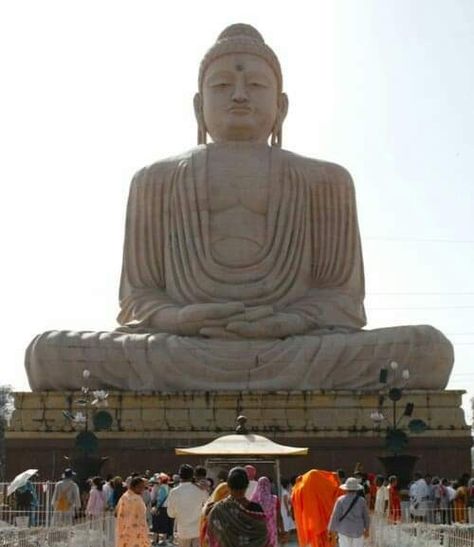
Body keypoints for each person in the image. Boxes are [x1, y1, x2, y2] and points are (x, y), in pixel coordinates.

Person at [26, 24, 454, 393]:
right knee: (47, 353)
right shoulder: (154, 180)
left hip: (294, 346)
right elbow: (139, 300)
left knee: (429, 349)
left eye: (256, 86)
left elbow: (341, 302)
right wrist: (183, 317)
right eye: (222, 86)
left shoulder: (327, 180)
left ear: (281, 106)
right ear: (198, 106)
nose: (239, 96)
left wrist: (286, 322)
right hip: (181, 345)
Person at [167, 464, 208, 547]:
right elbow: (207, 504)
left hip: (183, 529)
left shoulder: (174, 492)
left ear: (180, 475)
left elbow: (171, 513)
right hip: (197, 529)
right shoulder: (199, 490)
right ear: (192, 476)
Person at [291, 469, 342, 547]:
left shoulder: (305, 487)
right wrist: (337, 479)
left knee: (314, 542)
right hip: (328, 520)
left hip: (314, 521)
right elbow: (339, 491)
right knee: (329, 541)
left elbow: (294, 497)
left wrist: (296, 483)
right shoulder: (326, 487)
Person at [328, 477, 370, 547]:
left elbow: (335, 516)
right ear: (356, 489)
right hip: (358, 530)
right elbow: (366, 516)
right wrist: (367, 529)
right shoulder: (362, 501)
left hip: (344, 530)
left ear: (346, 489)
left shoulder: (340, 500)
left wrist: (331, 530)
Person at [150, 473, 173, 545]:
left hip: (160, 507)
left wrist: (156, 507)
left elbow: (160, 499)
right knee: (165, 523)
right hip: (167, 508)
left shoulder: (162, 488)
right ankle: (164, 540)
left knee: (156, 523)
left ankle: (154, 540)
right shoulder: (169, 488)